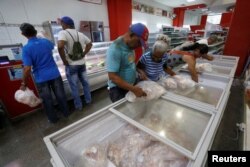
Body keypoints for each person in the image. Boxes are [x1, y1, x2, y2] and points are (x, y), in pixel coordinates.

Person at [20, 23, 69, 123]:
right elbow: (52, 46)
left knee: (47, 101)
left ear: (23, 34)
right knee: (61, 96)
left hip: (41, 78)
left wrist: (24, 83)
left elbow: (27, 68)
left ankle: (53, 119)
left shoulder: (26, 49)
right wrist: (43, 37)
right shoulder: (46, 42)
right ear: (35, 31)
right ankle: (66, 113)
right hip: (55, 74)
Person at [106, 23, 149, 102]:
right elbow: (113, 77)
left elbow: (130, 63)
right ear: (131, 35)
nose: (139, 46)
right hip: (118, 90)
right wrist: (134, 89)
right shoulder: (115, 49)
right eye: (139, 42)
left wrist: (140, 71)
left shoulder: (130, 46)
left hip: (130, 85)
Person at [57, 16, 92, 111]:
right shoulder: (80, 34)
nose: (61, 26)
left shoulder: (63, 33)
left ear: (65, 24)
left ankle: (79, 106)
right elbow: (90, 44)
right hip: (82, 63)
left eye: (62, 24)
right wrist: (84, 53)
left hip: (71, 64)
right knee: (85, 83)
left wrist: (64, 60)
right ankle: (88, 100)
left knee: (74, 86)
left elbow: (60, 46)